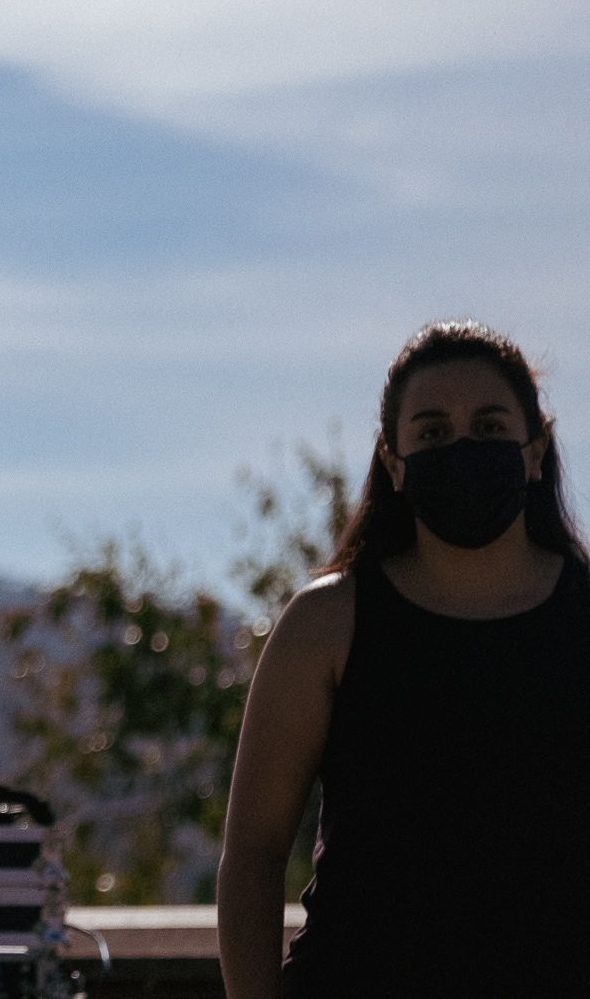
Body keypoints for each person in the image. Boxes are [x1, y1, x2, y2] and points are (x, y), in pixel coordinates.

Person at [217, 321, 590, 999]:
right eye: (434, 432)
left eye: (488, 425)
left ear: (535, 450)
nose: (463, 447)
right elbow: (253, 851)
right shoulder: (326, 624)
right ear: (393, 461)